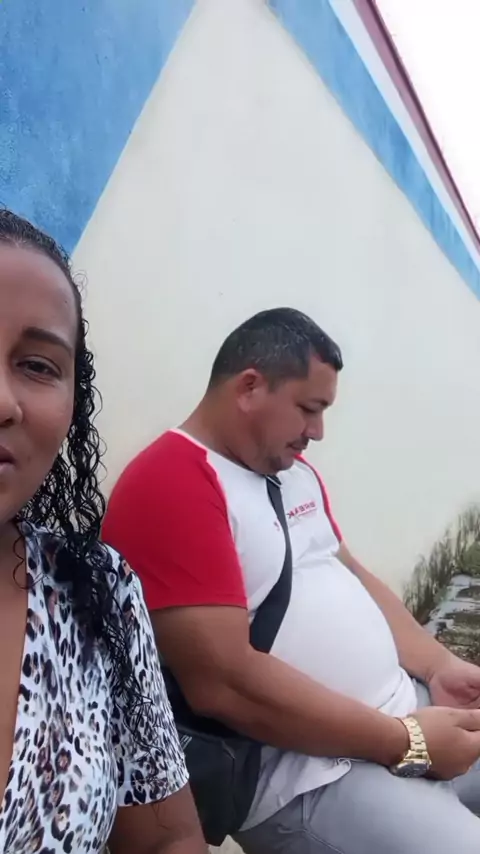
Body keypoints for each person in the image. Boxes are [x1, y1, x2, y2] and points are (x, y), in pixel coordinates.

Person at [104, 307, 480, 854]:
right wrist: (409, 743)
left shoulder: (292, 473)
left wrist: (439, 665)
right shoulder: (172, 481)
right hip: (307, 774)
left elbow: (350, 572)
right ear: (250, 387)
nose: (317, 432)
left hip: (404, 714)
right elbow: (225, 684)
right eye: (309, 409)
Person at [0, 209, 206, 854]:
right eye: (309, 408)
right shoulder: (178, 474)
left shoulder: (94, 593)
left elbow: (169, 838)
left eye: (37, 365)